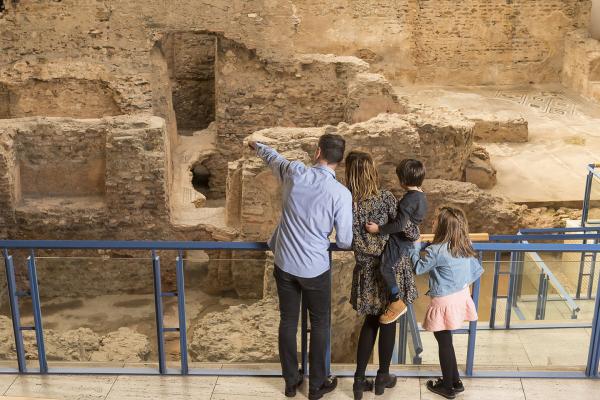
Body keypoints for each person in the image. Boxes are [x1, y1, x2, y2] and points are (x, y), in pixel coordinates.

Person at [249, 134, 353, 400]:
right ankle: (317, 385)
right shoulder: (341, 194)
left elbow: (273, 158)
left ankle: (290, 381)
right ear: (338, 162)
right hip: (315, 269)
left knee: (288, 321)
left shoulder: (295, 172)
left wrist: (257, 145)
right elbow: (344, 240)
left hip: (285, 264)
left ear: (317, 152)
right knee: (319, 324)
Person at [410, 206, 483, 399]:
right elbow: (475, 270)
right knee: (447, 341)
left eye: (435, 220)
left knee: (444, 343)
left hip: (444, 301)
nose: (432, 223)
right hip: (461, 295)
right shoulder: (464, 244)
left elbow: (418, 268)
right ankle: (455, 380)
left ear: (442, 226)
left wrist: (416, 247)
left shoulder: (437, 251)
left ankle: (448, 387)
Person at [346, 151, 400, 399]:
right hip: (387, 270)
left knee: (369, 322)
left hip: (365, 271)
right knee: (388, 320)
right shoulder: (385, 198)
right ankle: (382, 377)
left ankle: (359, 381)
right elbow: (405, 228)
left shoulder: (347, 202)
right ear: (372, 171)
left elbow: (346, 239)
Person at [365, 159, 427, 324]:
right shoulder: (421, 196)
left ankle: (396, 300)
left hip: (399, 240)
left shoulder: (408, 200)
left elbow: (400, 225)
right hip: (409, 240)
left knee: (385, 267)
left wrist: (378, 229)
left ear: (403, 181)